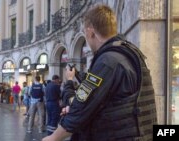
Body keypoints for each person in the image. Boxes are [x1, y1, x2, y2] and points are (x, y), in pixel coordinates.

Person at [42, 4, 157, 141]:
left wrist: (53, 137)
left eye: (85, 35)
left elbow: (80, 108)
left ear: (91, 32)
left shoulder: (107, 62)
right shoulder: (127, 52)